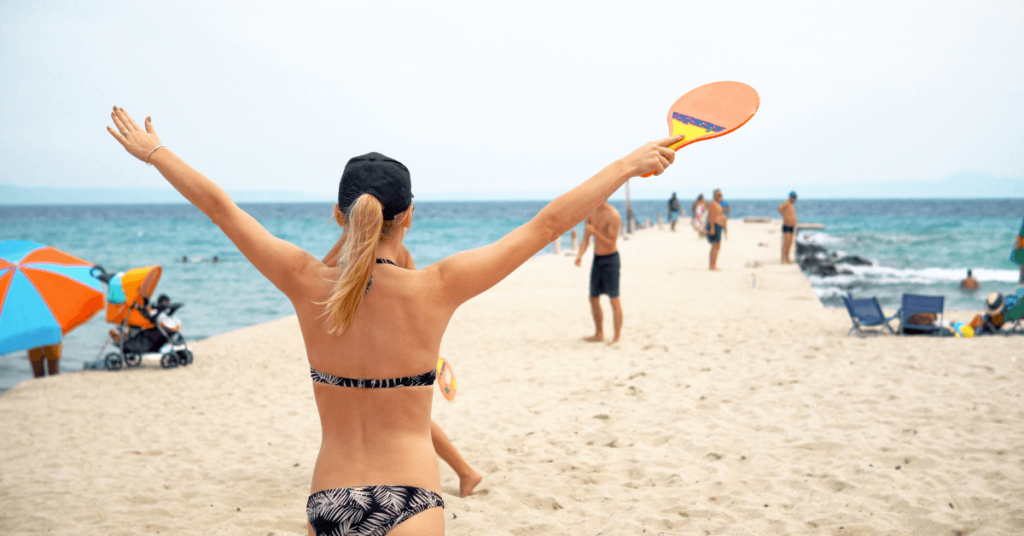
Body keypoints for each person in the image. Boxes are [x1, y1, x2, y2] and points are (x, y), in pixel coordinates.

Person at [106, 106, 680, 536]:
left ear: (338, 214)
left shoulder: (303, 280)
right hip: (411, 500)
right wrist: (628, 164)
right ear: (409, 217)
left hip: (328, 498)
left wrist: (156, 153)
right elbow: (548, 225)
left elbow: (220, 209)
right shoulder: (438, 286)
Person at [321, 239, 483, 498]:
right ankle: (464, 472)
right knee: (396, 417)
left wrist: (346, 240)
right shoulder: (395, 251)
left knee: (406, 418)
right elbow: (417, 297)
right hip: (381, 346)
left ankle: (465, 472)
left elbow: (319, 275)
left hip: (386, 349)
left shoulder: (364, 249)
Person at [574, 201, 623, 344]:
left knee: (614, 299)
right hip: (597, 259)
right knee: (593, 298)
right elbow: (585, 239)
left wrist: (595, 232)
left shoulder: (613, 215)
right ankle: (599, 333)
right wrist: (579, 256)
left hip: (611, 259)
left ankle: (616, 337)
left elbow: (611, 243)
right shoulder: (590, 213)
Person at [706, 189, 726, 270]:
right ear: (715, 196)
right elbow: (711, 216)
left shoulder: (718, 204)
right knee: (716, 246)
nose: (720, 197)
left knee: (716, 246)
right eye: (718, 195)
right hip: (715, 226)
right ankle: (712, 265)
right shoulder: (713, 204)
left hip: (718, 226)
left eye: (721, 195)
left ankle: (712, 265)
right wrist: (712, 228)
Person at [777, 191, 797, 264]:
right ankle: (783, 259)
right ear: (790, 197)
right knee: (786, 243)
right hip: (787, 225)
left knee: (789, 244)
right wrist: (785, 215)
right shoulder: (787, 203)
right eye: (793, 197)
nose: (794, 199)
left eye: (795, 198)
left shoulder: (792, 205)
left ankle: (787, 258)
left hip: (792, 226)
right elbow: (780, 209)